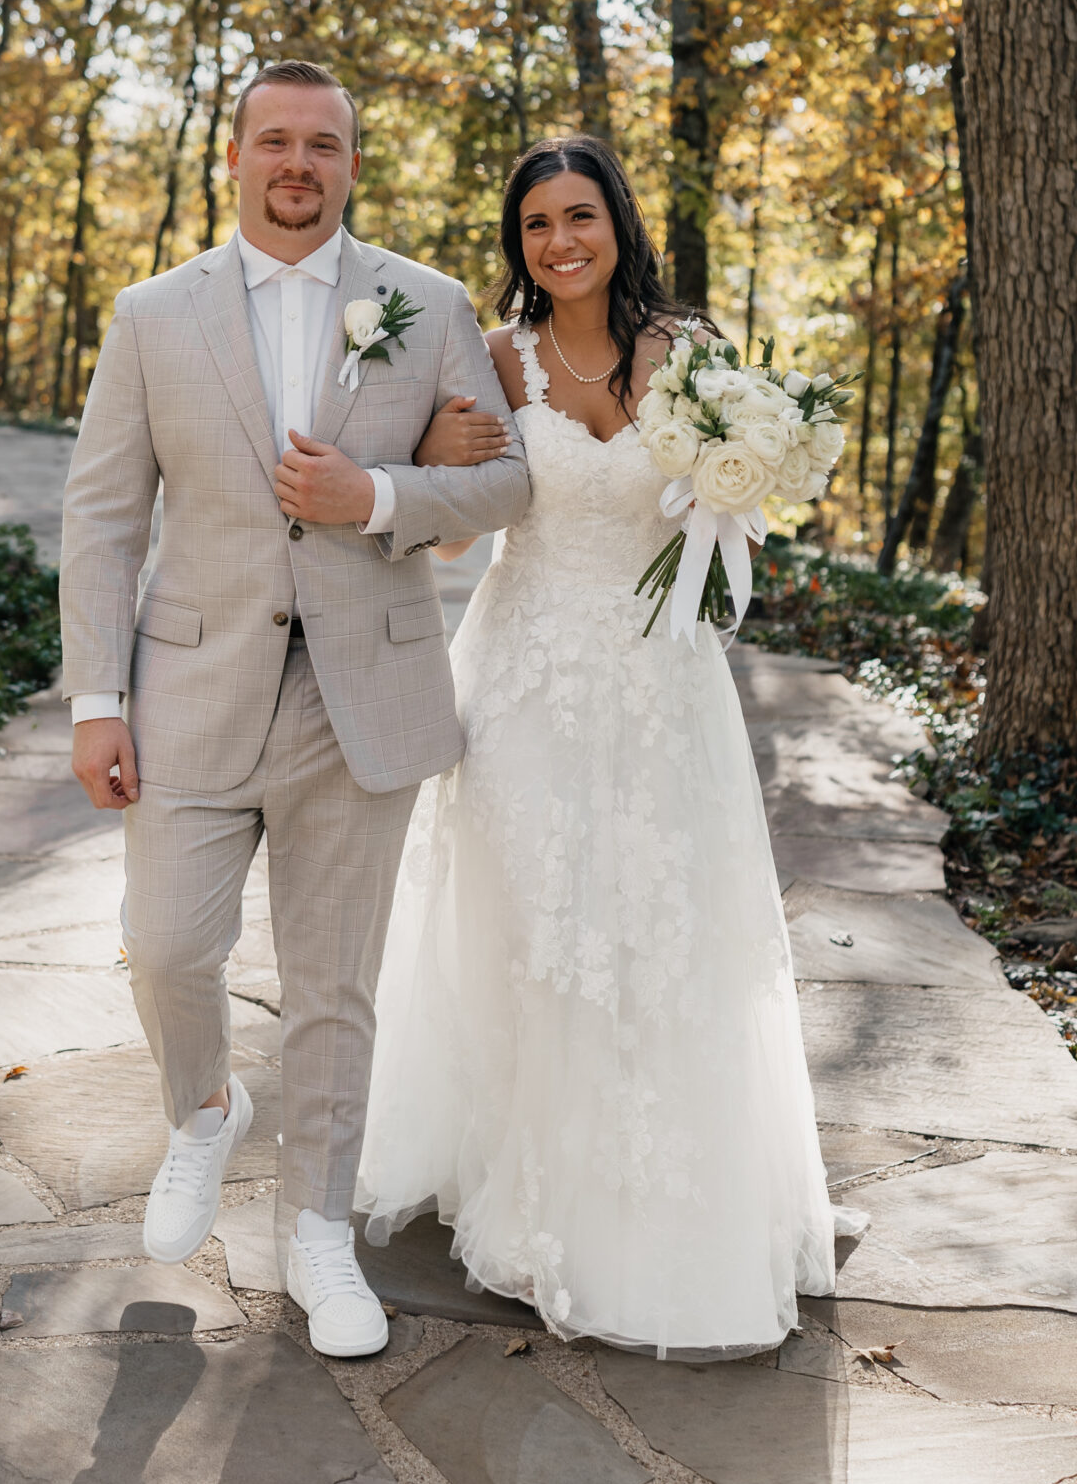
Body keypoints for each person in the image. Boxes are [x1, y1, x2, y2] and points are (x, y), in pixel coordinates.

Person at [60, 60, 530, 1360]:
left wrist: (375, 500)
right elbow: (102, 514)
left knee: (336, 988)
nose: (297, 163)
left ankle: (318, 1232)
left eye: (322, 144)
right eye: (275, 139)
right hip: (186, 692)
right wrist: (96, 697)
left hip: (359, 697)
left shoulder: (425, 306)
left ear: (349, 164)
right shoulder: (153, 315)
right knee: (165, 949)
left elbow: (500, 486)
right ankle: (203, 1109)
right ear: (235, 155)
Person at [356, 135, 838, 1356]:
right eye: (535, 226)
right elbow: (457, 541)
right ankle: (530, 1186)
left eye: (580, 215)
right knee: (533, 927)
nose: (559, 241)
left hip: (662, 685)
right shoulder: (496, 358)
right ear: (516, 245)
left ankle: (657, 1201)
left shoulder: (696, 354)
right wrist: (426, 468)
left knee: (657, 925)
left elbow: (739, 534)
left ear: (617, 221)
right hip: (523, 677)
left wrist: (732, 488)